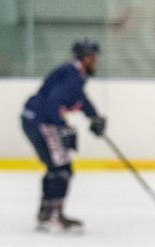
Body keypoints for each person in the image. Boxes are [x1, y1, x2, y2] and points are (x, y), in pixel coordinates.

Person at [20, 38, 107, 232]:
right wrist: (62, 127)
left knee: (55, 167)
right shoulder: (72, 76)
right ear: (85, 58)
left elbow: (79, 99)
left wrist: (94, 117)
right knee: (62, 169)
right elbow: (53, 102)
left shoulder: (74, 74)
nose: (96, 62)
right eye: (93, 58)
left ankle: (46, 213)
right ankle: (53, 216)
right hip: (43, 122)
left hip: (33, 118)